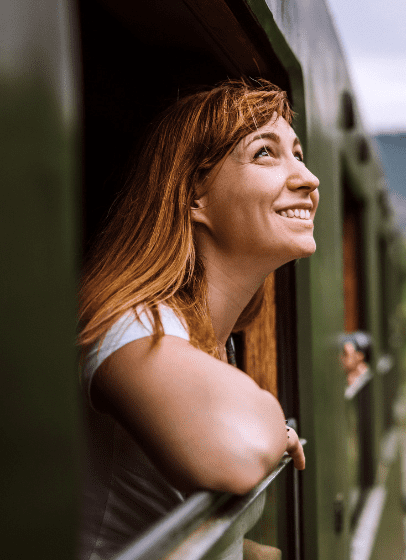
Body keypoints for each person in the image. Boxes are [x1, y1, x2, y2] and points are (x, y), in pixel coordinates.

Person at [76, 79, 315, 560]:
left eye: (299, 152)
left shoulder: (202, 335)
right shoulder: (134, 323)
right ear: (193, 196)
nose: (307, 178)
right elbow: (239, 448)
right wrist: (276, 424)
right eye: (266, 154)